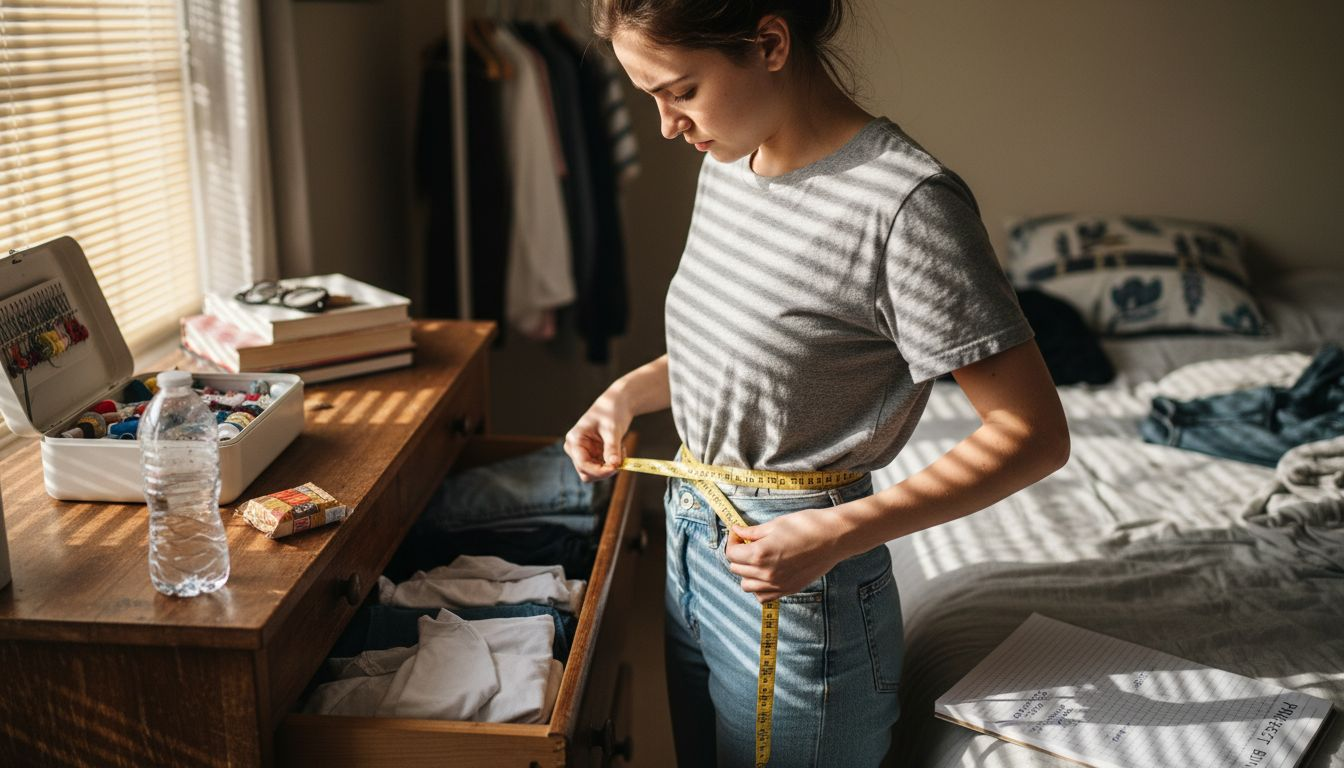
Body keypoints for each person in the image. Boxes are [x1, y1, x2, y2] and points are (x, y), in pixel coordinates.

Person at [563, 1, 1070, 765]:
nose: (667, 125)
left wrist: (835, 534)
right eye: (652, 98)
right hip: (692, 539)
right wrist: (623, 397)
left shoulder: (905, 206)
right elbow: (754, 350)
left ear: (770, 43)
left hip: (803, 580)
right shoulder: (726, 163)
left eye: (681, 91)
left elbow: (1032, 434)